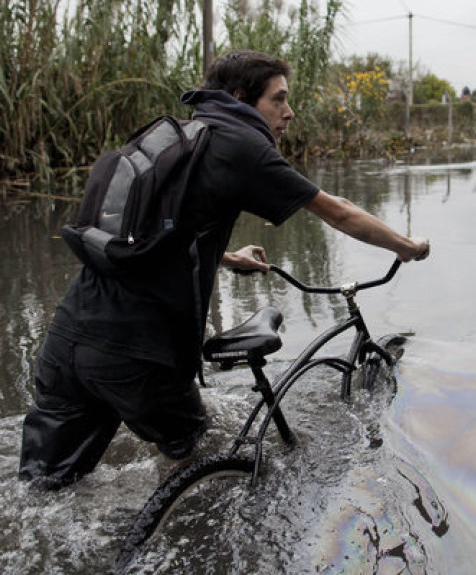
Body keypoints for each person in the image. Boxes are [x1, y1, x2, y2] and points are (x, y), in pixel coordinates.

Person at [18, 50, 430, 490]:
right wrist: (407, 247)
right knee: (200, 461)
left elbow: (149, 238)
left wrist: (229, 257)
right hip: (140, 353)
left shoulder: (182, 137)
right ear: (240, 97)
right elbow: (339, 212)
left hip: (69, 336)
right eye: (279, 100)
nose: (289, 113)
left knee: (44, 487)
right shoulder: (242, 145)